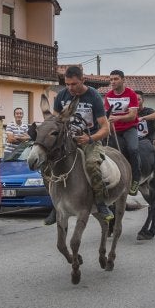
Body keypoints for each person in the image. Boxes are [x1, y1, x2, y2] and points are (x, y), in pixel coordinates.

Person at [54, 65, 113, 221]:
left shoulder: (93, 96)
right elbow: (55, 122)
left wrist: (90, 138)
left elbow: (105, 128)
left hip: (90, 141)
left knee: (92, 165)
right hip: (66, 141)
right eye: (67, 84)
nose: (70, 88)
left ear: (83, 80)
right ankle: (55, 205)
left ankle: (101, 203)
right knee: (49, 164)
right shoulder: (61, 96)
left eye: (73, 84)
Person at [104, 70, 141, 196]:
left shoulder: (131, 94)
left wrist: (118, 118)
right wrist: (108, 125)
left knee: (133, 149)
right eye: (111, 79)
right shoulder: (108, 95)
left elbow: (132, 115)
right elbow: (107, 115)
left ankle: (136, 178)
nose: (113, 82)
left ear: (123, 80)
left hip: (129, 128)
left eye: (116, 79)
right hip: (115, 129)